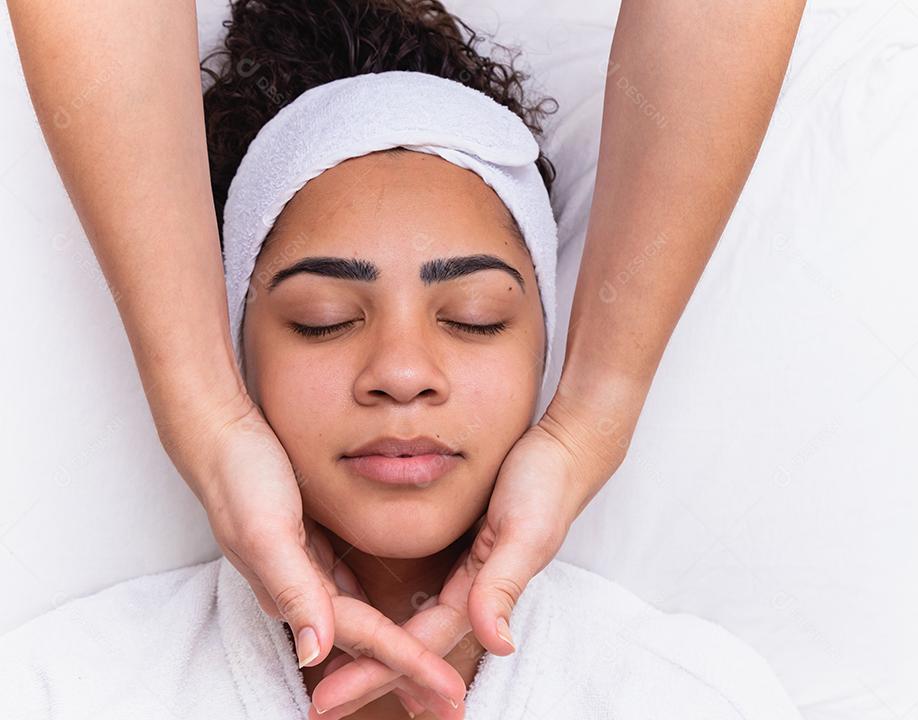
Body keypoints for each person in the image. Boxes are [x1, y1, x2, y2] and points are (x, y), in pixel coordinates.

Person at [5, 0, 807, 715]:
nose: (401, 370)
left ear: (544, 351)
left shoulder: (684, 697)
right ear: (238, 348)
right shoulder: (62, 689)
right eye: (322, 320)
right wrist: (203, 418)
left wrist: (590, 420)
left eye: (474, 317)